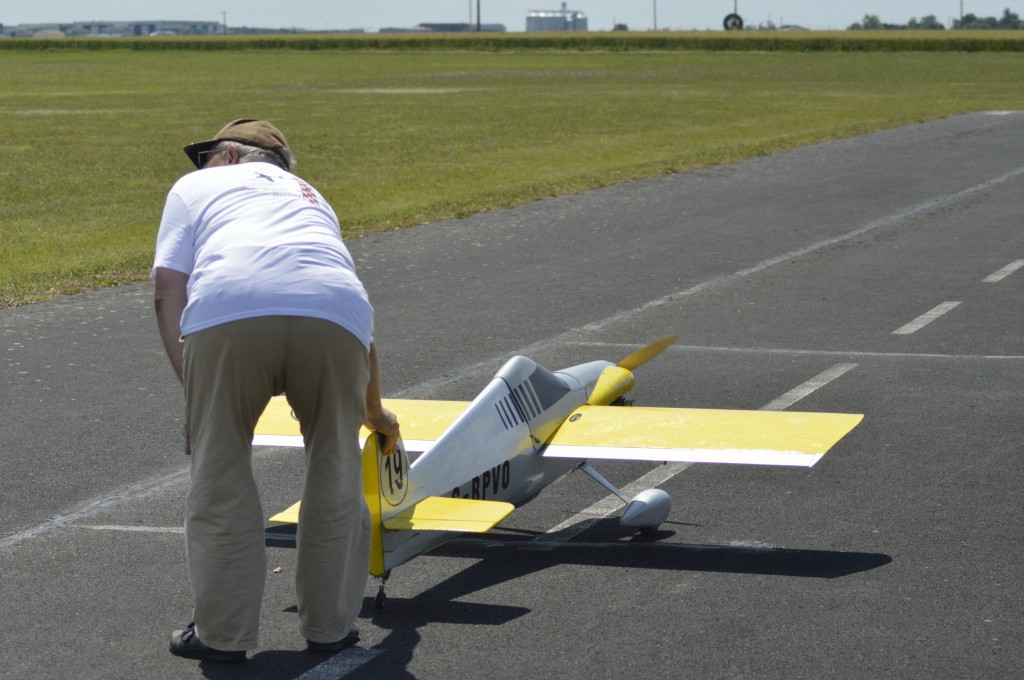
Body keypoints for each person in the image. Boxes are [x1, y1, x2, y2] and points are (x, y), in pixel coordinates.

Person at [153, 119, 399, 663]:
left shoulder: (194, 187)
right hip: (336, 322)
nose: (202, 167)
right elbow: (354, 313)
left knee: (221, 475)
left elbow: (169, 290)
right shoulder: (313, 197)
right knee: (335, 469)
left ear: (231, 155)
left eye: (208, 156)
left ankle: (222, 634)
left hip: (231, 311)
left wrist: (195, 397)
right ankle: (331, 626)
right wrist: (375, 410)